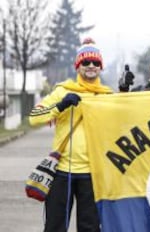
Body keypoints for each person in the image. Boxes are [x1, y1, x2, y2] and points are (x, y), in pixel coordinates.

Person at [29, 38, 113, 232]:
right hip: (61, 172)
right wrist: (61, 105)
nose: (91, 66)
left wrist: (125, 93)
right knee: (55, 227)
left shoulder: (108, 96)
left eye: (95, 63)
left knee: (90, 228)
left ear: (101, 67)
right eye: (85, 62)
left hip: (92, 174)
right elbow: (34, 118)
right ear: (78, 66)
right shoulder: (63, 91)